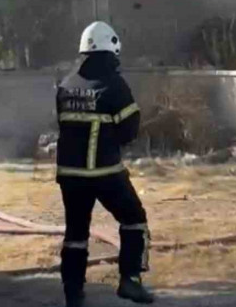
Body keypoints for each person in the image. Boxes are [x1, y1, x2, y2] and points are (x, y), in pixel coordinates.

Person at [56, 21, 154, 306]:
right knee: (134, 219)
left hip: (70, 174)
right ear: (111, 50)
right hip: (105, 172)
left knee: (76, 233)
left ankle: (73, 294)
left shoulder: (65, 85)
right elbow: (129, 131)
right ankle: (130, 281)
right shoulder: (113, 84)